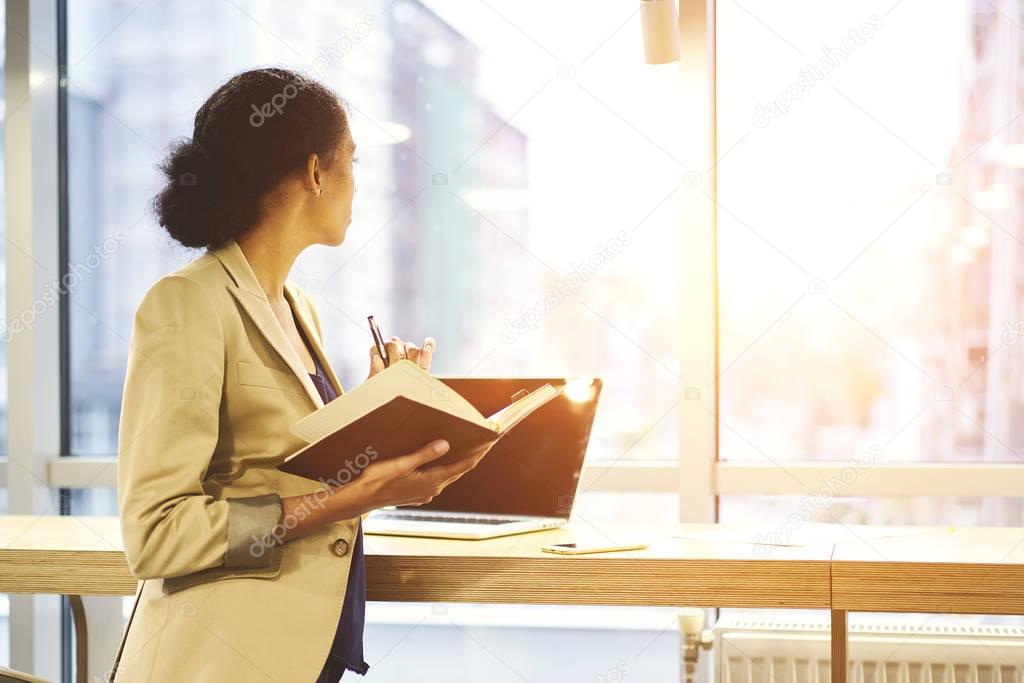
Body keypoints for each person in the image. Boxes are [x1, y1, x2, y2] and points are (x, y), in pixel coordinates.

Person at [112, 67, 492, 683]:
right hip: (218, 661)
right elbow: (157, 535)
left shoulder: (296, 307)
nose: (357, 186)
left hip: (299, 654)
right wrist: (346, 500)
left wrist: (383, 414)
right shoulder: (187, 302)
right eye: (354, 163)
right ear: (317, 172)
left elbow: (286, 465)